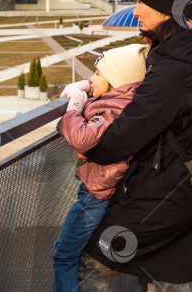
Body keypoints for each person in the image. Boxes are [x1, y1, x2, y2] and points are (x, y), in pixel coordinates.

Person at [70, 0, 192, 291]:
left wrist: (80, 127)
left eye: (141, 2)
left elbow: (117, 140)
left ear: (164, 9)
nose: (136, 10)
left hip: (169, 197)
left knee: (93, 259)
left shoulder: (174, 67)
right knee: (172, 274)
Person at [52, 44, 150, 292]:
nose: (92, 79)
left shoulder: (111, 109)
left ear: (116, 79)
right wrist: (87, 85)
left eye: (97, 74)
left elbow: (83, 138)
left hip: (94, 194)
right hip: (107, 190)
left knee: (64, 255)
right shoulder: (127, 100)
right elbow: (106, 82)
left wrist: (74, 107)